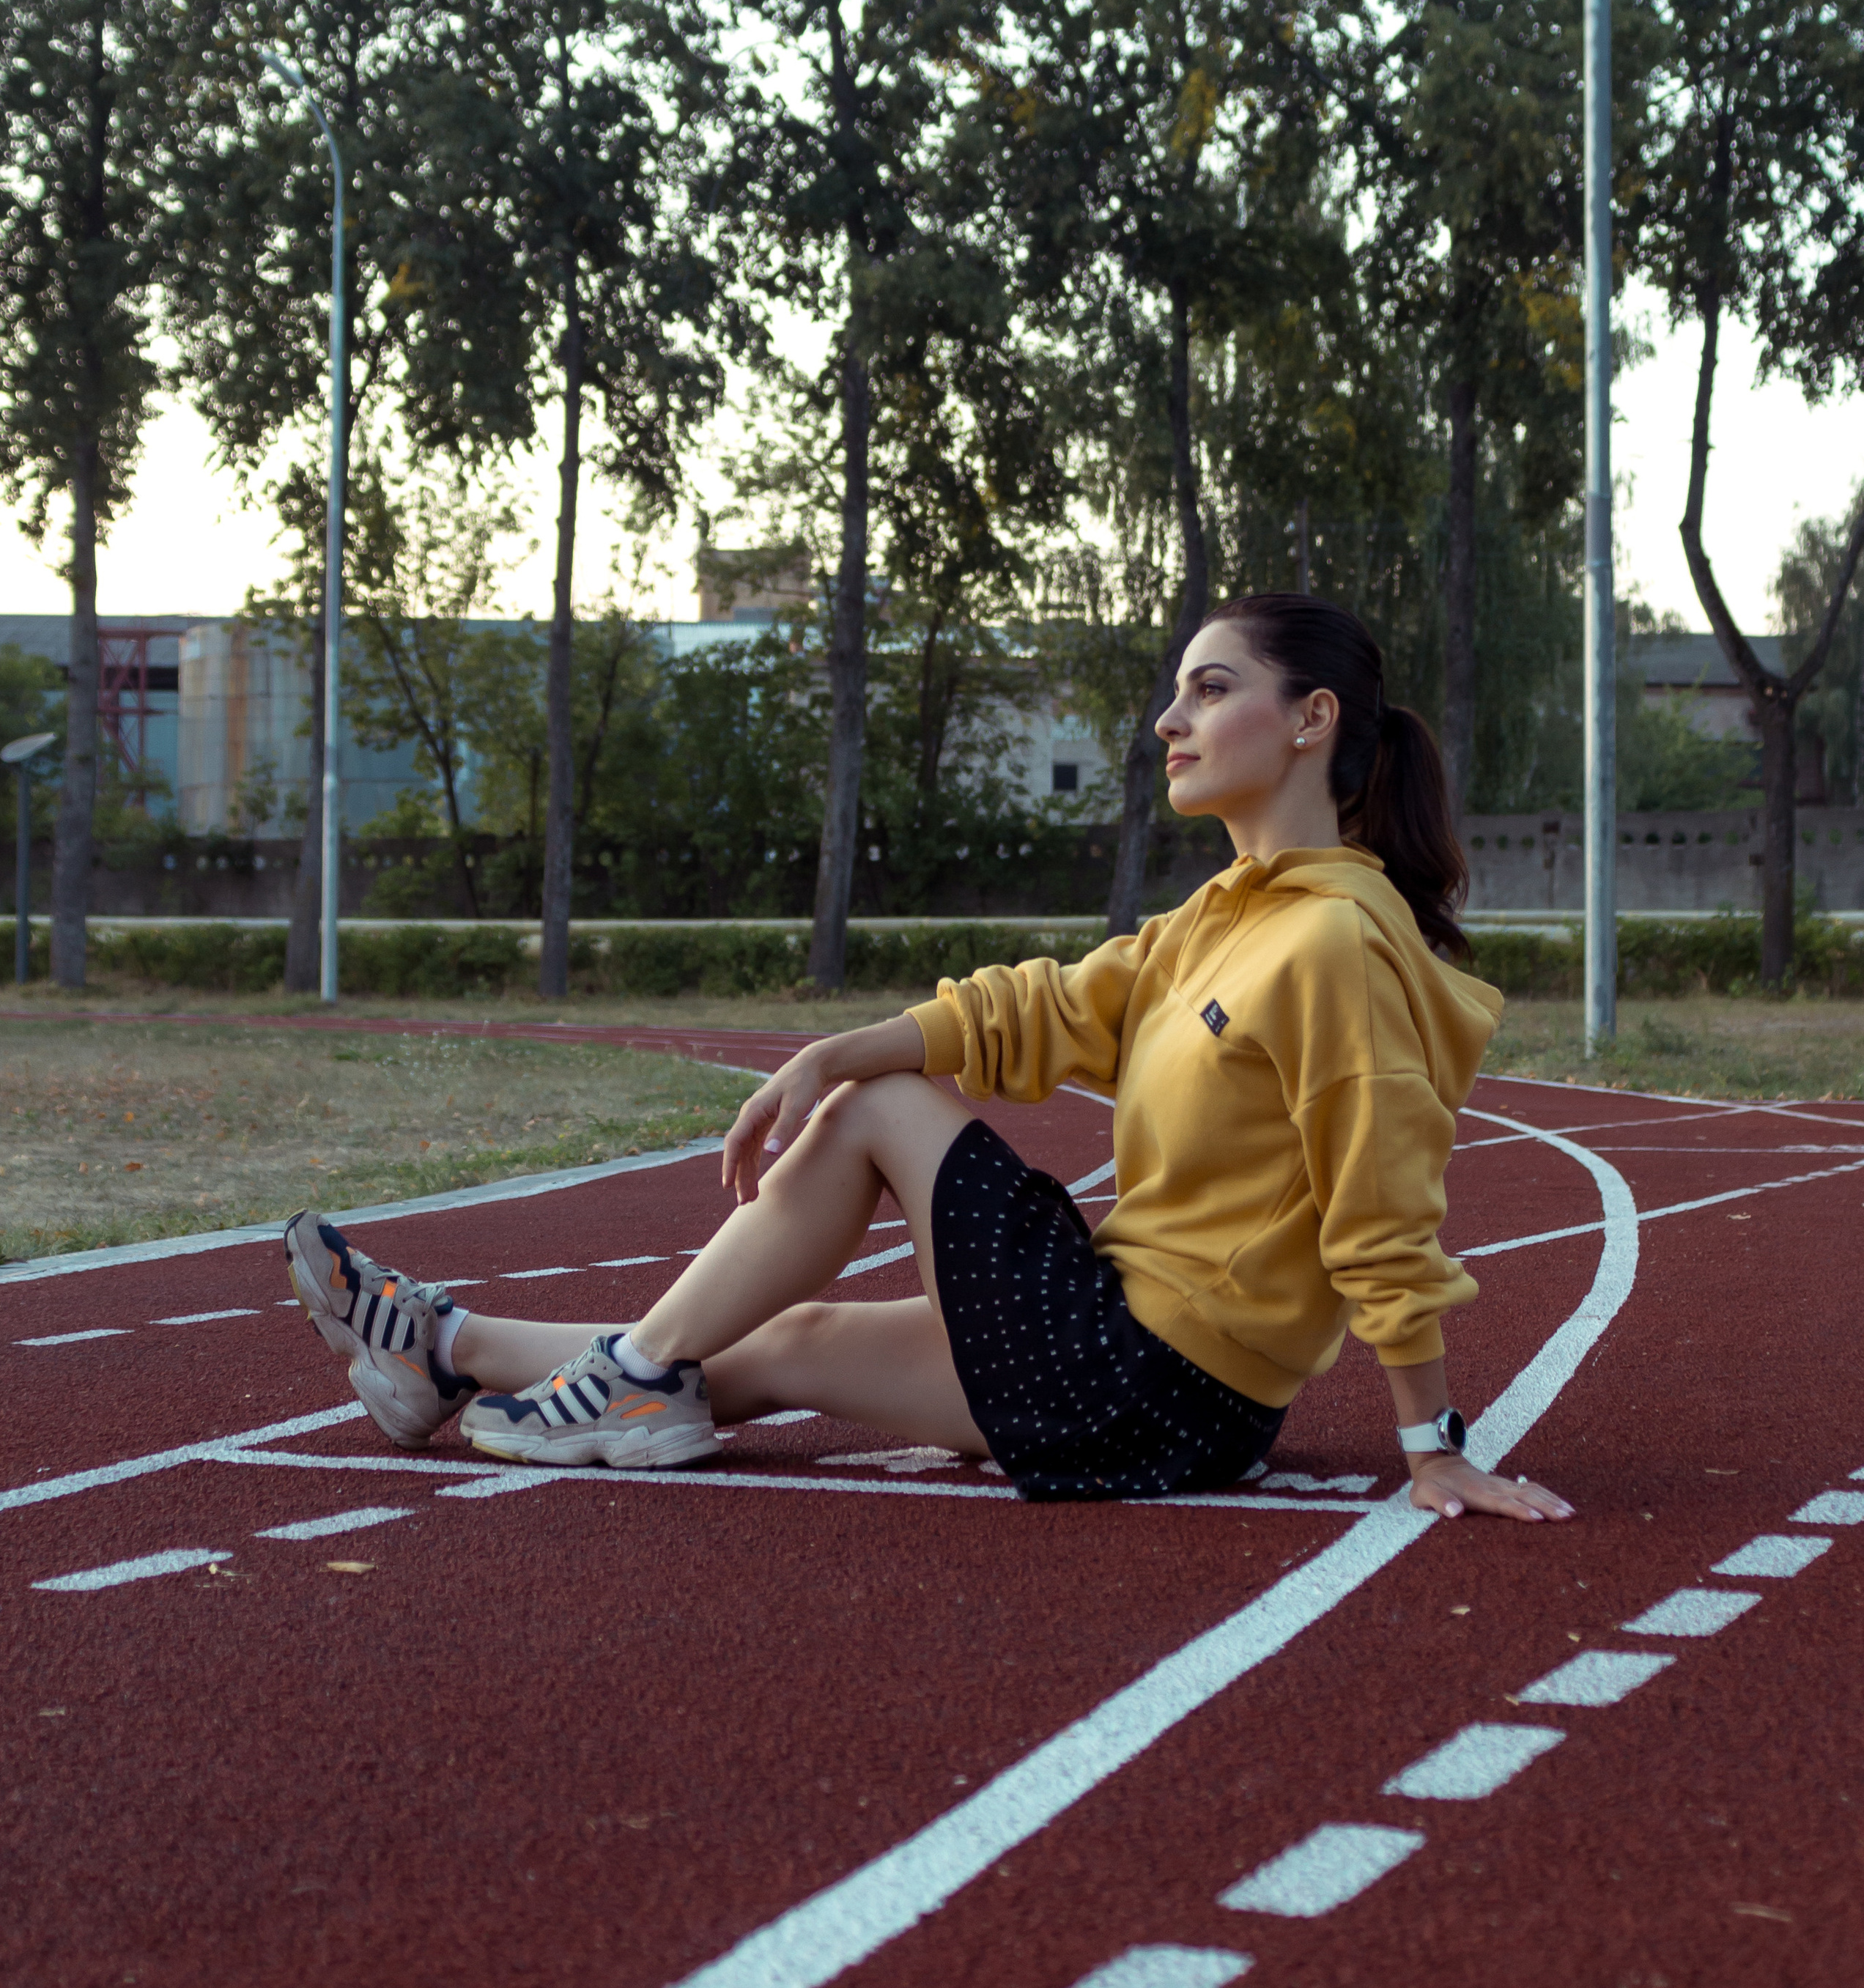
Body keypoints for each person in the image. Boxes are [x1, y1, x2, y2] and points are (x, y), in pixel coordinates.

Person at [284, 593, 1573, 1525]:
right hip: (1133, 1367)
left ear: (1312, 720)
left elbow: (1380, 1211)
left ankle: (621, 1377)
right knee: (784, 1337)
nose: (1169, 719)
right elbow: (1041, 1009)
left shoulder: (1335, 943)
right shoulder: (1217, 924)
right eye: (1180, 692)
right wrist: (833, 1042)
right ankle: (445, 1349)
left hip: (1154, 1377)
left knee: (878, 1110)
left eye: (1212, 689)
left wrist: (1431, 1446)